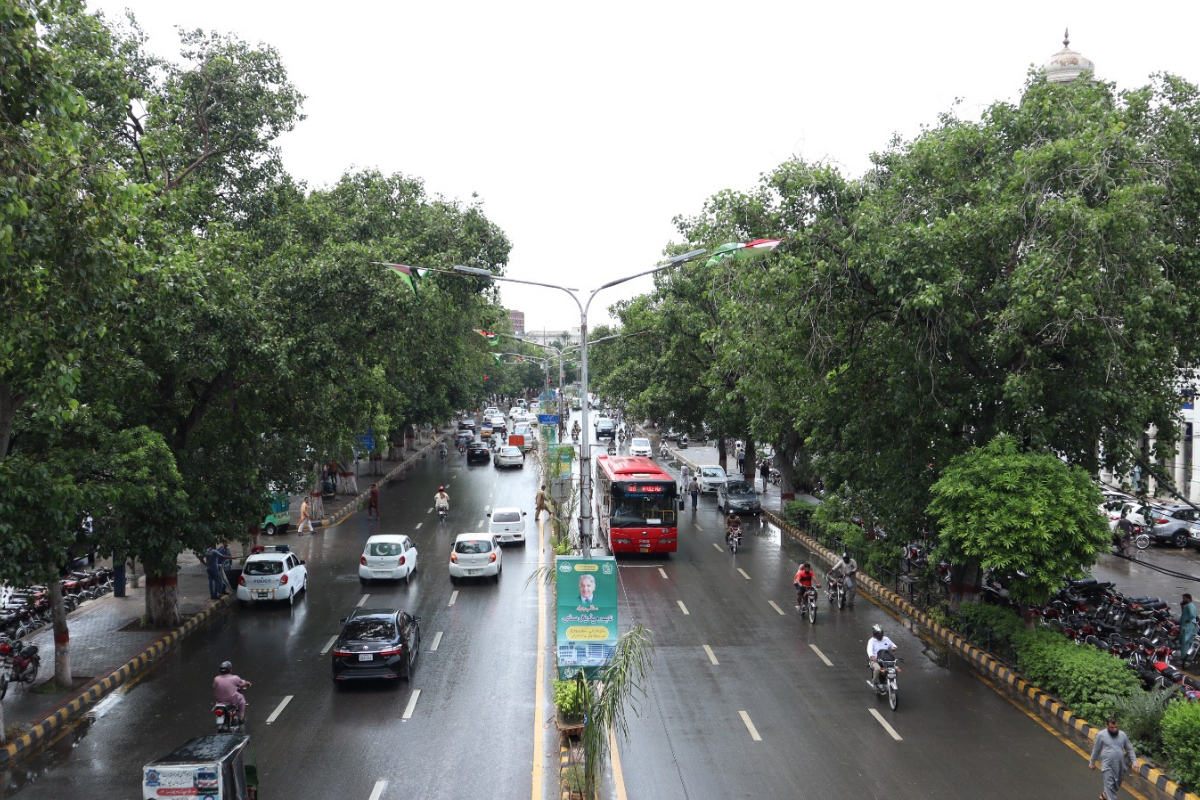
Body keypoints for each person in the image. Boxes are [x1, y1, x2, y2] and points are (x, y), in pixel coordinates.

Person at [1089, 716, 1138, 800]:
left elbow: (1129, 748)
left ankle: (1105, 794)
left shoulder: (1122, 735)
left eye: (1116, 727)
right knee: (1110, 787)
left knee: (1116, 784)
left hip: (1120, 766)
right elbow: (1096, 749)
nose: (1114, 729)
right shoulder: (1101, 735)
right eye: (1112, 727)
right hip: (1107, 766)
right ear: (1107, 726)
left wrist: (1134, 762)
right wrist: (1092, 762)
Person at [1179, 593, 1197, 668]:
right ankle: (1185, 658)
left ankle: (1183, 659)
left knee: (1185, 642)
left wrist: (1187, 620)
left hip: (1187, 627)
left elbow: (1192, 615)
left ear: (1188, 599)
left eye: (1184, 599)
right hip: (1189, 626)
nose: (1183, 600)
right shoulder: (1189, 606)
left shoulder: (1190, 605)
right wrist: (1182, 607)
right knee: (1187, 642)